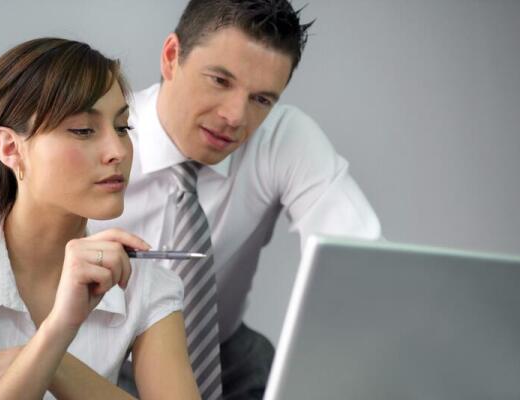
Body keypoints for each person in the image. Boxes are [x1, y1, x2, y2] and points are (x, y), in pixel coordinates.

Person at [88, 0, 382, 399]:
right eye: (220, 81)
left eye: (261, 99)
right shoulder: (99, 141)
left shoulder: (281, 139)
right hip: (106, 357)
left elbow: (364, 266)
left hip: (225, 355)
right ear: (171, 57)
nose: (235, 117)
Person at [0, 38, 200, 400]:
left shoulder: (147, 285)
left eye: (122, 127)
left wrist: (48, 363)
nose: (117, 151)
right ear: (10, 148)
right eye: (83, 130)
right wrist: (57, 333)